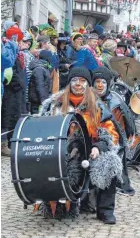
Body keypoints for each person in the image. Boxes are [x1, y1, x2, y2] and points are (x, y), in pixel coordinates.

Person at [40, 67, 122, 224]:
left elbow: (110, 133)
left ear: (88, 85)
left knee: (111, 162)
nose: (78, 84)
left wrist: (98, 147)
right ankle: (53, 203)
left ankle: (105, 211)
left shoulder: (97, 106)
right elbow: (42, 129)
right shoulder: (54, 104)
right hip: (60, 151)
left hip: (89, 151)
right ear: (69, 83)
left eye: (83, 81)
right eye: (75, 80)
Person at [92, 66, 135, 196]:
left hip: (112, 140)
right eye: (97, 82)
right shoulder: (88, 99)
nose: (100, 85)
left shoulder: (115, 102)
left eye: (103, 82)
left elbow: (122, 127)